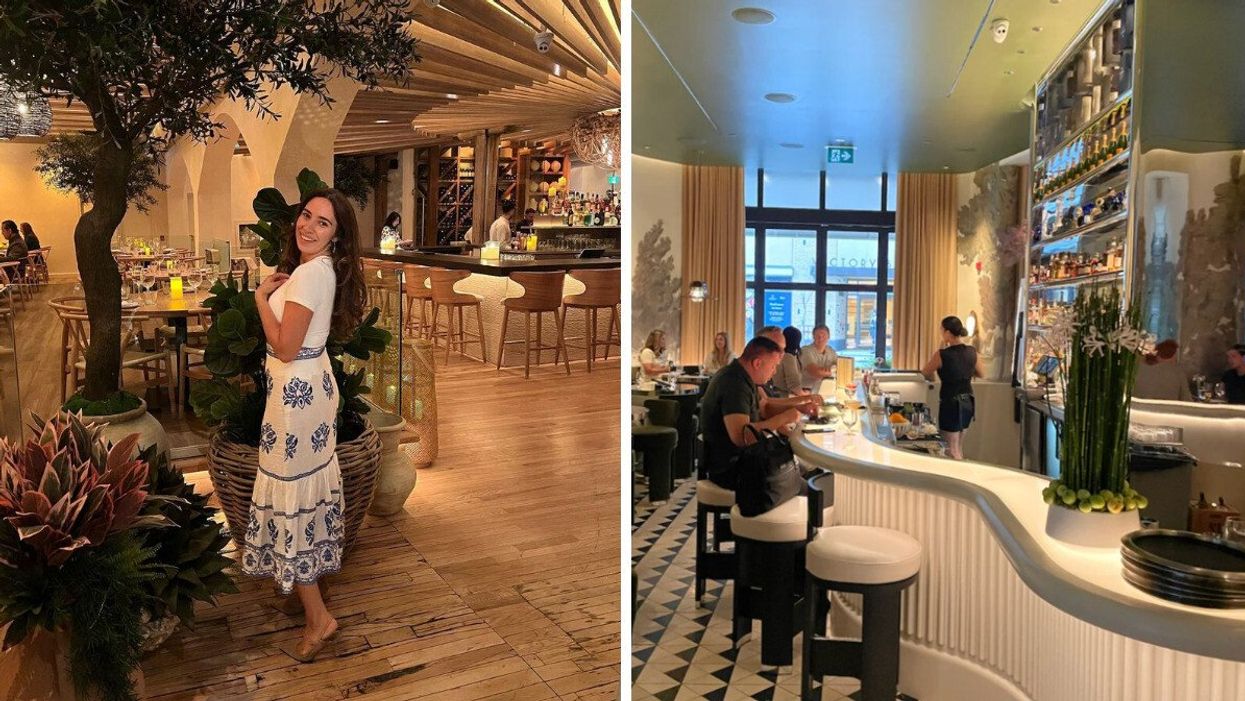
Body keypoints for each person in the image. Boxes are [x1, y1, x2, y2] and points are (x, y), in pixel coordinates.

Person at [246, 188, 366, 663]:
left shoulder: (312, 275)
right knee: (299, 496)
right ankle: (312, 600)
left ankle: (318, 618)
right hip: (302, 393)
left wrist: (260, 298)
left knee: (291, 497)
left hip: (296, 401)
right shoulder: (313, 271)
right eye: (307, 216)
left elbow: (285, 347)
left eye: (323, 223)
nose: (308, 227)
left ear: (337, 237)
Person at [701, 336, 820, 490]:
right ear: (757, 363)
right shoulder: (734, 383)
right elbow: (742, 436)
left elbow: (763, 409)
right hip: (732, 468)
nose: (774, 371)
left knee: (809, 470)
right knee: (814, 491)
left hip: (749, 459)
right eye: (773, 366)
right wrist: (784, 418)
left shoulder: (744, 376)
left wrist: (798, 409)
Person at [921, 315, 985, 460]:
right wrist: (965, 371)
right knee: (959, 446)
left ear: (948, 333)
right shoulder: (972, 351)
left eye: (941, 330)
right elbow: (981, 373)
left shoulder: (942, 354)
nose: (941, 333)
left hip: (951, 403)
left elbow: (925, 372)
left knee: (950, 449)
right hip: (968, 402)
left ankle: (958, 479)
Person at [800, 324, 837, 388]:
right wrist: (833, 371)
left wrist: (825, 371)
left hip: (826, 387)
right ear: (813, 337)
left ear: (828, 337)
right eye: (817, 336)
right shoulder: (805, 350)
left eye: (824, 335)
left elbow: (840, 367)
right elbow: (816, 373)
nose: (820, 338)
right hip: (807, 390)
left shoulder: (831, 351)